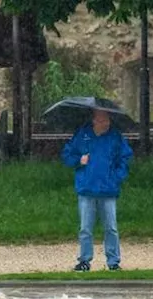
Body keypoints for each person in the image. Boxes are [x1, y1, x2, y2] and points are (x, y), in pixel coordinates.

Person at [60, 108, 134, 271]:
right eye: (101, 120)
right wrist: (79, 160)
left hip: (108, 189)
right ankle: (85, 260)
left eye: (107, 120)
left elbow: (125, 158)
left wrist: (116, 177)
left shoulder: (115, 137)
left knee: (111, 228)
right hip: (87, 188)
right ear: (94, 120)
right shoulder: (82, 135)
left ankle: (113, 261)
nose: (105, 123)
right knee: (85, 228)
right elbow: (67, 155)